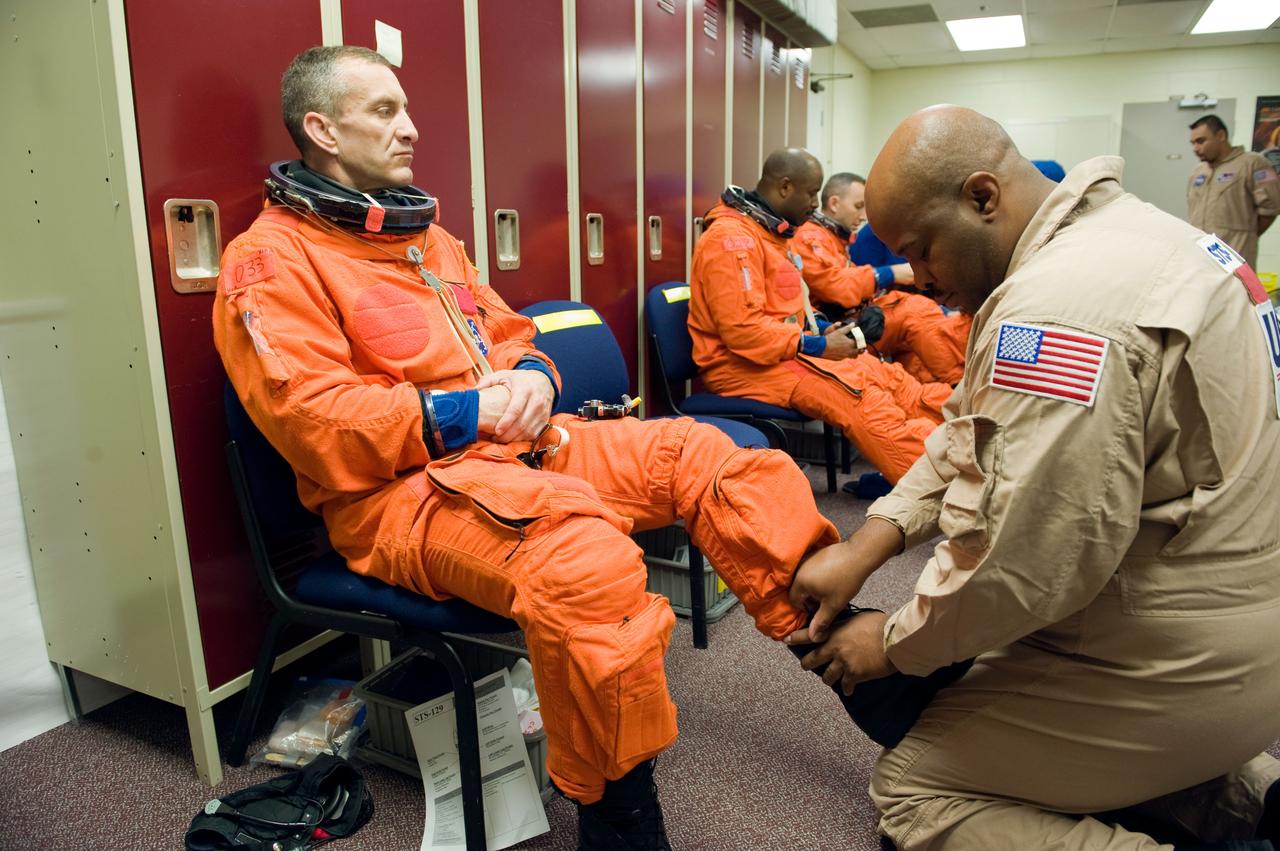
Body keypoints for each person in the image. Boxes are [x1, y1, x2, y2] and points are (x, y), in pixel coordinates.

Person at [213, 46, 844, 850]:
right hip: (401, 495)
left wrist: (538, 379)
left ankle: (840, 642)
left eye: (406, 109)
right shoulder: (267, 263)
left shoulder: (429, 241)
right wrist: (473, 410)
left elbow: (510, 333)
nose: (410, 128)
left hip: (524, 448)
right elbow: (318, 422)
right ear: (320, 128)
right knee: (586, 564)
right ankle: (619, 818)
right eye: (384, 111)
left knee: (712, 453)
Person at [788, 105, 1280, 850]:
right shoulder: (1139, 236)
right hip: (1242, 637)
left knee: (913, 785)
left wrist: (888, 641)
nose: (918, 277)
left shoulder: (1059, 310)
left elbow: (1021, 562)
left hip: (1181, 654)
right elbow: (966, 429)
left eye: (923, 249)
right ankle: (1246, 802)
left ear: (983, 197)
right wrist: (871, 545)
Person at [688, 149, 953, 484]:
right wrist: (818, 346)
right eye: (811, 193)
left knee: (881, 374)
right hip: (740, 366)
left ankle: (959, 437)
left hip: (779, 354)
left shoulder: (769, 237)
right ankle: (939, 483)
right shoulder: (732, 241)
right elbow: (743, 333)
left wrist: (826, 329)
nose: (815, 204)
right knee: (858, 395)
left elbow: (791, 306)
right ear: (785, 187)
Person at [790, 172, 970, 385]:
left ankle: (940, 395)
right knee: (916, 311)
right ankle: (958, 386)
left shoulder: (834, 240)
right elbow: (837, 287)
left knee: (920, 350)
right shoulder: (810, 237)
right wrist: (892, 273)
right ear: (834, 203)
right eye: (858, 206)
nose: (864, 216)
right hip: (837, 326)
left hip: (857, 319)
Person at [1187, 114, 1280, 268]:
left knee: (1232, 291)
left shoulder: (1253, 163)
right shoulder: (1198, 172)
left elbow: (1270, 209)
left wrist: (1245, 235)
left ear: (1221, 135)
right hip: (1201, 256)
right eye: (1193, 143)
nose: (1195, 148)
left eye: (1201, 141)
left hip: (1234, 255)